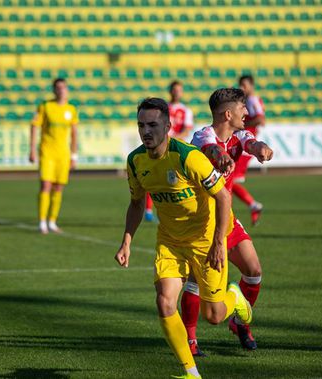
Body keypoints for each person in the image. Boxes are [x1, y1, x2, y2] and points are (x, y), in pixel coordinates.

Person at [115, 98, 252, 379]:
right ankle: (191, 372)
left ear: (167, 126)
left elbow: (223, 196)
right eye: (141, 125)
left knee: (213, 316)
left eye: (152, 124)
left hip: (204, 240)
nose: (146, 131)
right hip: (170, 242)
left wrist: (217, 244)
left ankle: (235, 296)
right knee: (164, 302)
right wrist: (127, 240)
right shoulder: (135, 160)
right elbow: (137, 203)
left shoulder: (187, 156)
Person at [182, 88, 273, 354]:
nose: (248, 113)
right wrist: (218, 157)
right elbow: (210, 149)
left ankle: (239, 323)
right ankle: (190, 341)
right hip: (202, 221)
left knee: (254, 271)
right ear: (228, 113)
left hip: (227, 218)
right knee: (195, 280)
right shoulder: (202, 136)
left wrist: (262, 149)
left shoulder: (239, 135)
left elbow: (251, 143)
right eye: (243, 108)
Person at [29, 78, 79, 234]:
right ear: (53, 90)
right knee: (46, 185)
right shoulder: (45, 106)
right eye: (57, 87)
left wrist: (74, 155)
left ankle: (52, 221)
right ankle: (42, 222)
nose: (61, 90)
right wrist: (32, 149)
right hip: (47, 152)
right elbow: (34, 126)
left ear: (67, 89)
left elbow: (74, 134)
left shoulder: (71, 109)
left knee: (59, 187)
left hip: (63, 154)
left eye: (63, 87)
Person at [144, 80, 195, 222]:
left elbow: (187, 129)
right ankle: (148, 211)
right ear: (170, 91)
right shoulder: (163, 108)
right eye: (175, 90)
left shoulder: (186, 110)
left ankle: (177, 210)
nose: (177, 92)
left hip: (175, 148)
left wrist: (174, 138)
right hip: (161, 146)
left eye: (179, 90)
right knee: (153, 175)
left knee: (175, 180)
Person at [231, 75, 267, 225]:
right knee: (228, 178)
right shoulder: (248, 100)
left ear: (251, 85)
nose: (242, 88)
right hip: (245, 143)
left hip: (246, 144)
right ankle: (251, 205)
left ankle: (251, 205)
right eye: (240, 85)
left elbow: (261, 119)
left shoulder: (252, 100)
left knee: (228, 179)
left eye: (244, 85)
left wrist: (241, 125)